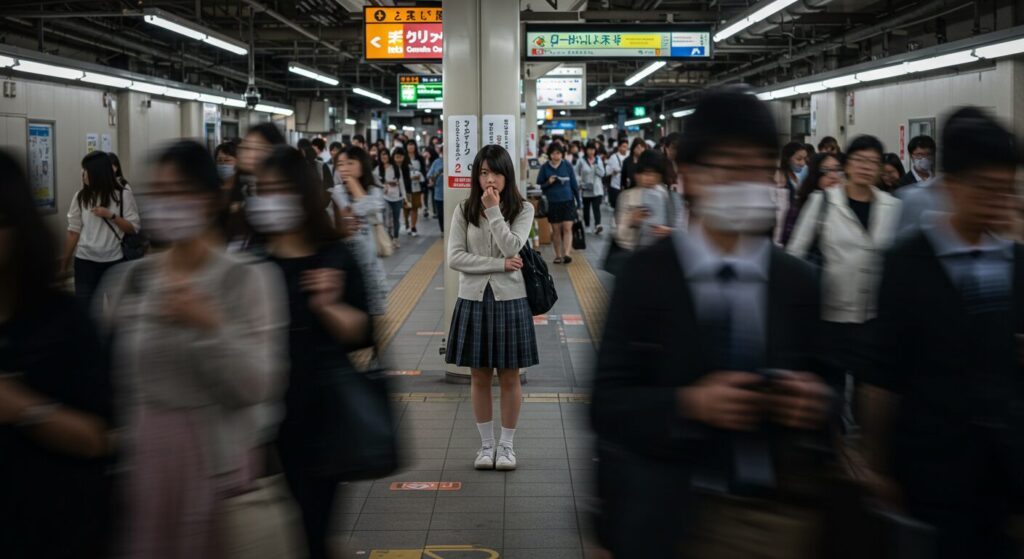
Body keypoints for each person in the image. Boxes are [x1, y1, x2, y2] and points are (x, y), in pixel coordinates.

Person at [592, 87, 835, 558]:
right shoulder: (645, 276)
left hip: (776, 522)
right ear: (689, 177)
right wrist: (691, 404)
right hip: (669, 523)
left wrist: (813, 399)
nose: (746, 182)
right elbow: (607, 405)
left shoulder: (797, 282)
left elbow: (830, 394)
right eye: (729, 167)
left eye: (759, 169)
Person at [97, 140, 287, 559]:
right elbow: (107, 380)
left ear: (209, 198)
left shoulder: (247, 280)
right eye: (159, 193)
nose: (167, 204)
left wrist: (210, 326)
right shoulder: (129, 282)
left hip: (217, 467)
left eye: (179, 192)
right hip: (144, 467)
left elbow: (259, 384)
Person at [861, 109, 1022, 559]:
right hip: (931, 468)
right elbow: (882, 376)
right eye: (986, 188)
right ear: (950, 186)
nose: (998, 201)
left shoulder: (1015, 261)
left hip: (1005, 472)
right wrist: (879, 465)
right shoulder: (908, 264)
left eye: (1006, 190)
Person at [246, 145, 373, 559]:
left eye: (278, 190)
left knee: (311, 527)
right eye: (261, 191)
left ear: (301, 194)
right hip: (257, 419)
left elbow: (364, 334)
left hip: (319, 417)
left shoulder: (335, 256)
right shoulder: (251, 261)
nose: (268, 201)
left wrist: (329, 307)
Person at [0, 150, 115, 558]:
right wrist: (67, 259)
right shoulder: (80, 199)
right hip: (85, 262)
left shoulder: (60, 323)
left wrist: (21, 408)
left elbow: (98, 438)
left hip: (55, 527)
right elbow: (72, 231)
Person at [787, 136, 901, 427]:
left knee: (869, 395)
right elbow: (796, 256)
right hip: (829, 316)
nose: (865, 167)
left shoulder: (893, 207)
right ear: (847, 165)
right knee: (830, 394)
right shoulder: (823, 201)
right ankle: (831, 454)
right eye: (859, 160)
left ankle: (863, 456)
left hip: (872, 318)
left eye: (873, 162)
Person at [446, 145, 537, 472]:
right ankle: (485, 447)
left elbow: (514, 246)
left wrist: (495, 212)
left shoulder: (523, 209)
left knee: (510, 375)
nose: (489, 179)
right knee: (479, 375)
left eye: (495, 172)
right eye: (483, 172)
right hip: (472, 299)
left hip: (511, 300)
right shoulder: (463, 209)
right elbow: (455, 258)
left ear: (507, 174)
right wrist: (498, 265)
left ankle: (507, 447)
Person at [61, 151, 141, 306]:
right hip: (85, 262)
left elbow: (133, 228)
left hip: (114, 263)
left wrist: (111, 215)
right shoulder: (81, 196)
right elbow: (73, 231)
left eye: (86, 171)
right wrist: (64, 265)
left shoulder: (123, 195)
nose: (83, 175)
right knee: (85, 310)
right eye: (83, 171)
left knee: (116, 311)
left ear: (97, 173)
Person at [331, 146, 388, 316]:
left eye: (350, 162)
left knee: (372, 318)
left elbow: (373, 209)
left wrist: (355, 186)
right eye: (340, 164)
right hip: (342, 269)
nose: (344, 168)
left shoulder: (374, 191)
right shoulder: (336, 193)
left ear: (362, 165)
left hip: (369, 269)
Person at [613, 150, 675, 251]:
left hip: (659, 255)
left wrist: (668, 232)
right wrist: (632, 221)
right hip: (634, 255)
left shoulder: (664, 194)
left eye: (655, 175)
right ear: (637, 174)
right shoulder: (626, 197)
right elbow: (619, 235)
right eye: (646, 173)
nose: (650, 178)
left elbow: (675, 225)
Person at [536, 143, 580, 264]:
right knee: (556, 230)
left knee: (567, 228)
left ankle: (566, 254)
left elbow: (574, 185)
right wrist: (548, 182)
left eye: (559, 153)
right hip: (553, 202)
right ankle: (558, 255)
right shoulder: (545, 167)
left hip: (568, 201)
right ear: (550, 154)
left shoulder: (567, 165)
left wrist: (579, 203)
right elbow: (540, 184)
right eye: (554, 153)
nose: (556, 155)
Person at [377, 148, 407, 248]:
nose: (383, 157)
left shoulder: (395, 168)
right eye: (381, 155)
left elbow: (401, 183)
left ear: (389, 156)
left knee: (396, 219)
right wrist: (384, 185)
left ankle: (396, 238)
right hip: (385, 197)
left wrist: (405, 198)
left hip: (397, 198)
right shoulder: (378, 169)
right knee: (386, 217)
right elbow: (376, 183)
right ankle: (388, 236)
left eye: (385, 155)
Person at [577, 142, 606, 234]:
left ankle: (598, 225)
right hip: (586, 188)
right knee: (586, 209)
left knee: (596, 207)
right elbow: (576, 173)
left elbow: (602, 173)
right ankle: (587, 225)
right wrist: (580, 183)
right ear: (586, 150)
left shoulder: (598, 160)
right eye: (589, 149)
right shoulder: (581, 160)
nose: (591, 151)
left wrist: (596, 167)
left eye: (593, 149)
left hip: (597, 189)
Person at [605, 139, 630, 222]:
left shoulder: (629, 156)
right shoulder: (613, 157)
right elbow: (607, 171)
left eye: (626, 147)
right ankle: (617, 220)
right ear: (619, 147)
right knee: (617, 205)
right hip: (615, 185)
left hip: (626, 185)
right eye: (623, 146)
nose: (625, 149)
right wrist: (613, 171)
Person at [404, 141, 426, 234]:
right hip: (407, 187)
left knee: (415, 207)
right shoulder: (404, 158)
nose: (411, 147)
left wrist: (420, 177)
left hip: (417, 187)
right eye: (409, 145)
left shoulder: (420, 158)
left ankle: (413, 226)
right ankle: (407, 224)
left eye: (412, 145)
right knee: (407, 207)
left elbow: (424, 171)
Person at [427, 143, 445, 233]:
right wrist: (432, 179)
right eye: (442, 150)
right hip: (439, 194)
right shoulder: (436, 162)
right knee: (441, 215)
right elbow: (429, 175)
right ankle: (442, 231)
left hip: (450, 195)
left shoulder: (454, 161)